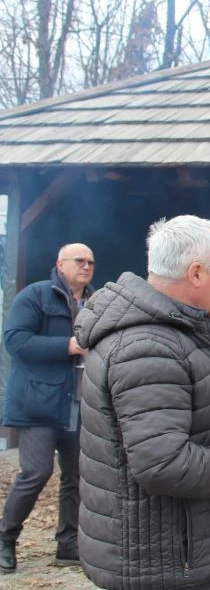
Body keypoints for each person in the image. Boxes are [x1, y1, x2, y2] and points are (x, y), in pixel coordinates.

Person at [73, 215, 210, 590]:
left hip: (167, 556)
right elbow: (162, 464)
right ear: (197, 273)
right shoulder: (147, 347)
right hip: (161, 564)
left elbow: (152, 435)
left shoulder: (166, 334)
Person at [0, 243, 95, 573]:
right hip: (38, 402)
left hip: (79, 402)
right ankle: (5, 538)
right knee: (37, 472)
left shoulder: (98, 303)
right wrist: (68, 346)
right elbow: (15, 341)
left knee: (77, 476)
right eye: (80, 261)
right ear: (60, 264)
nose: (87, 266)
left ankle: (68, 544)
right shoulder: (35, 296)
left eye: (90, 262)